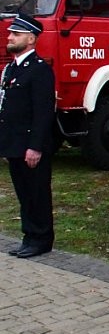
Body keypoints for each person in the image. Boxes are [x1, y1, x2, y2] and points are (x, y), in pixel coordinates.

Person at [1, 13, 56, 258]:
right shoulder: (10, 69)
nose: (9, 37)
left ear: (31, 39)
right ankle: (29, 236)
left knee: (37, 193)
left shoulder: (40, 70)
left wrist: (35, 146)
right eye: (11, 33)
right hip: (14, 144)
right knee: (24, 194)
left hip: (31, 145)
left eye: (16, 34)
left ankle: (41, 239)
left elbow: (43, 112)